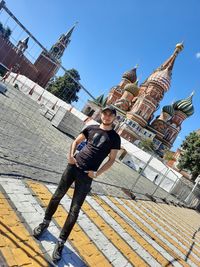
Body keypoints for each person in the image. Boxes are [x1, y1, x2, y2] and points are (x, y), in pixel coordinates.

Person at [33, 106, 121, 262]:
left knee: (74, 210)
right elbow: (76, 141)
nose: (107, 117)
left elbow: (112, 159)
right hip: (73, 166)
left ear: (114, 118)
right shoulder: (91, 128)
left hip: (87, 176)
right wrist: (70, 156)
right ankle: (44, 223)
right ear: (101, 115)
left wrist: (97, 173)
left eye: (110, 115)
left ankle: (61, 242)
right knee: (56, 196)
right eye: (105, 113)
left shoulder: (115, 138)